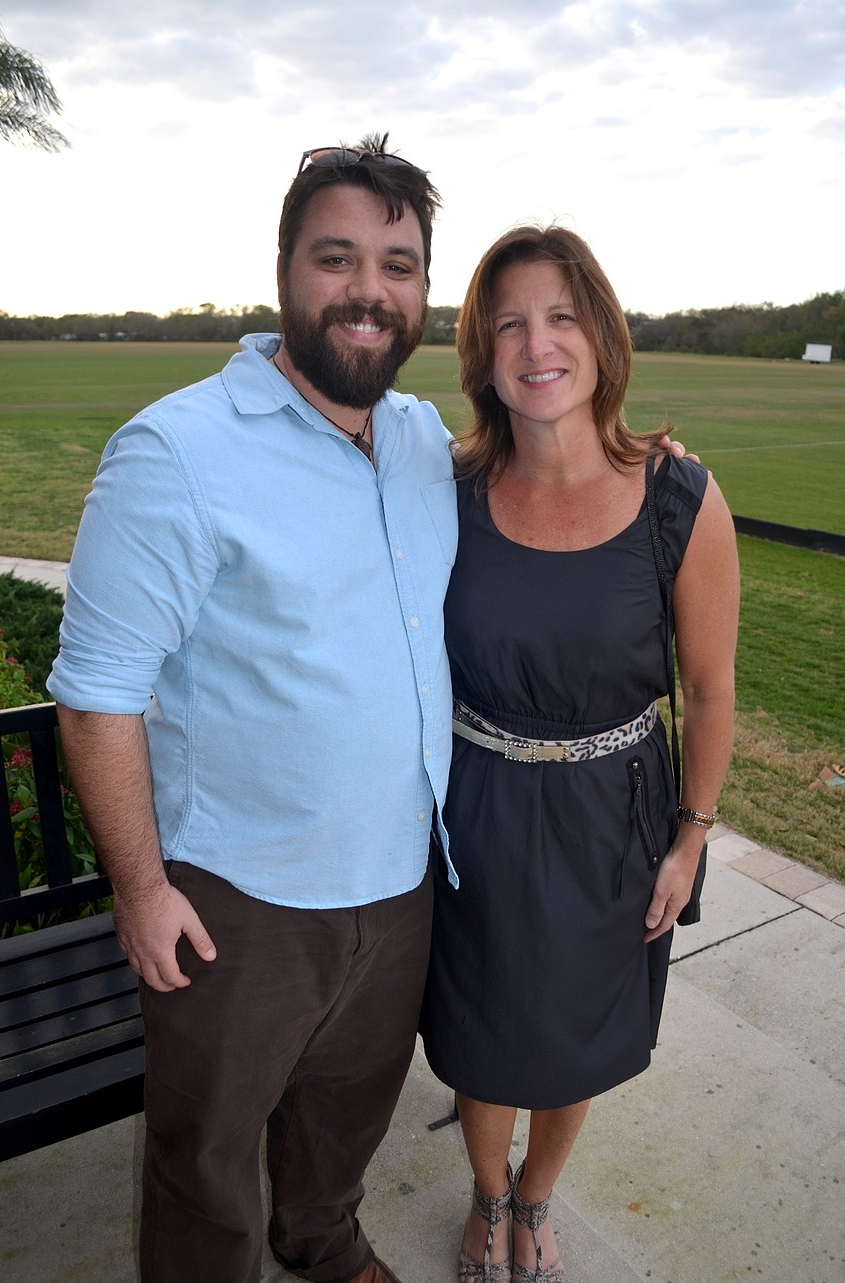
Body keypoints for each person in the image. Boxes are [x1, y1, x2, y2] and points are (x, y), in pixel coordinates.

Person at [47, 135, 456, 1283]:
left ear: (422, 288)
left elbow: (544, 466)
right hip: (242, 902)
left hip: (400, 875)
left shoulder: (421, 441)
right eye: (337, 257)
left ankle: (321, 1241)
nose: (369, 290)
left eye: (398, 263)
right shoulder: (177, 452)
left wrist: (634, 454)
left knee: (345, 1116)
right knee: (206, 1155)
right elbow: (97, 693)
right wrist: (142, 887)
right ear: (283, 268)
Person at [419, 225, 740, 1283]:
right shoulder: (443, 489)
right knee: (478, 1035)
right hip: (479, 815)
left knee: (572, 1036)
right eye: (507, 321)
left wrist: (689, 839)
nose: (536, 341)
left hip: (618, 816)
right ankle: (486, 1191)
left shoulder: (679, 501)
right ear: (481, 351)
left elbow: (706, 689)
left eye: (559, 315)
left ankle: (538, 1198)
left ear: (600, 335)